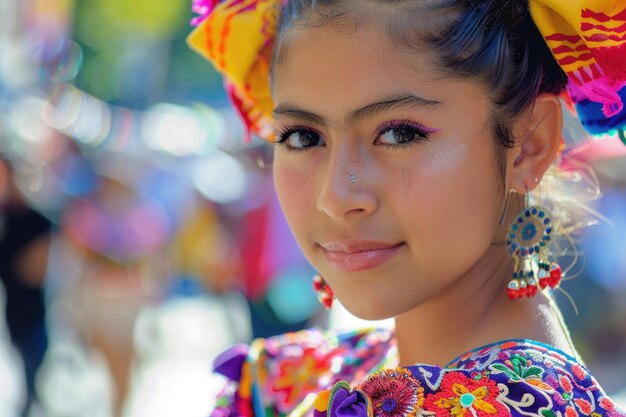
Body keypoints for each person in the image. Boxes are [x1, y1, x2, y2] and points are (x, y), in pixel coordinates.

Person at [187, 1, 626, 416]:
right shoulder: (302, 379)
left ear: (529, 145)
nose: (335, 198)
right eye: (303, 137)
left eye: (398, 134)